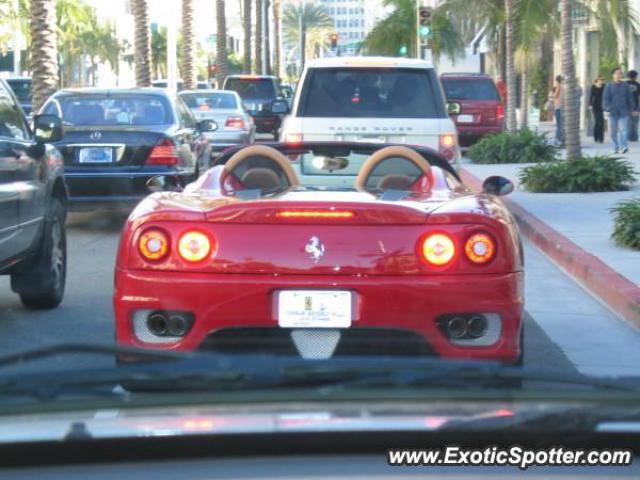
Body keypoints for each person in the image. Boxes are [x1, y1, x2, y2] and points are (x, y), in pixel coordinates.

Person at [603, 66, 635, 154]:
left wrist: (632, 108)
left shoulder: (625, 85)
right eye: (617, 73)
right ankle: (615, 147)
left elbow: (630, 97)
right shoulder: (609, 85)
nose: (619, 75)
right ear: (613, 75)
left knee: (623, 130)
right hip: (612, 112)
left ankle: (624, 147)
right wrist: (607, 108)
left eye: (620, 73)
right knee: (612, 131)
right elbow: (605, 98)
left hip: (623, 111)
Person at [589, 77, 605, 143]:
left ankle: (601, 138)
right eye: (600, 80)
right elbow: (591, 96)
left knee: (601, 122)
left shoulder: (604, 86)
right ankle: (596, 137)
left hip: (602, 106)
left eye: (602, 80)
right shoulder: (593, 87)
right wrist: (590, 104)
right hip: (595, 106)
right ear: (597, 80)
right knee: (598, 122)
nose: (602, 81)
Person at [626, 70, 640, 141]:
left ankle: (629, 137)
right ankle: (634, 137)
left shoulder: (625, 84)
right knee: (635, 122)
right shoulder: (638, 84)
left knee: (629, 122)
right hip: (635, 106)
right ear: (634, 76)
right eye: (636, 75)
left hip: (627, 106)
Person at [551, 75, 564, 146]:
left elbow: (555, 95)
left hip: (559, 107)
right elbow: (556, 95)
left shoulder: (559, 86)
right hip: (559, 107)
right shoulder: (560, 87)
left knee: (559, 125)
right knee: (560, 124)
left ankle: (558, 139)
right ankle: (558, 139)